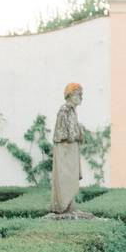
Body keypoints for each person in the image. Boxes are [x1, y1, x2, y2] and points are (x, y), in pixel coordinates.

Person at [51, 83, 85, 214]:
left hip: (71, 149)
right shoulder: (64, 110)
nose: (80, 97)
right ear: (70, 95)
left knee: (71, 179)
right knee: (65, 178)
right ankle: (63, 208)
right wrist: (78, 132)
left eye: (81, 94)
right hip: (65, 149)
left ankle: (70, 206)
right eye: (78, 94)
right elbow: (64, 134)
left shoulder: (72, 111)